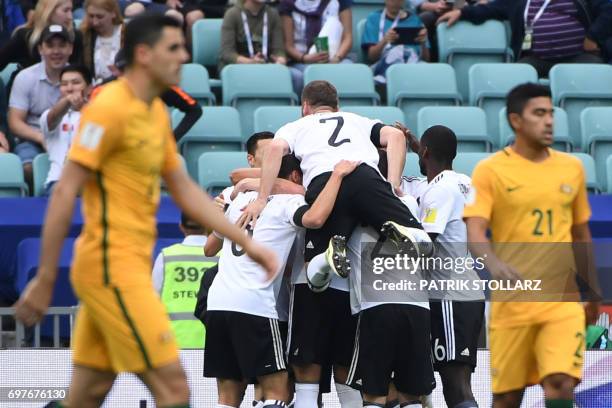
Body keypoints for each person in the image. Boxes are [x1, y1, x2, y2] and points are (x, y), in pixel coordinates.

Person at [14, 14, 277, 408]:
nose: (184, 56)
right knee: (174, 391)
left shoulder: (154, 110)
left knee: (86, 395)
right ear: (143, 54)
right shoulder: (108, 109)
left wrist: (245, 242)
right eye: (173, 48)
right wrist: (46, 277)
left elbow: (184, 188)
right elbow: (66, 191)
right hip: (110, 269)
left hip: (129, 265)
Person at [464, 83, 601, 408]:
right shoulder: (490, 171)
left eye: (551, 113)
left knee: (560, 382)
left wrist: (593, 291)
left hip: (561, 300)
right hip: (512, 303)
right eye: (539, 114)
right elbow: (475, 232)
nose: (549, 121)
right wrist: (494, 264)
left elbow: (581, 236)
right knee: (508, 398)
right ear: (516, 120)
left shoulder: (572, 168)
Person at [204, 155, 359, 408]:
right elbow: (314, 219)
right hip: (254, 304)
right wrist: (337, 176)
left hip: (218, 302)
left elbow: (209, 248)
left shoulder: (238, 198)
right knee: (277, 389)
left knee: (227, 397)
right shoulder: (290, 202)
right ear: (296, 176)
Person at [242, 80, 425, 278]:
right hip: (365, 176)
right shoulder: (356, 120)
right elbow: (397, 136)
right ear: (337, 107)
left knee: (313, 270)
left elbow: (275, 149)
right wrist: (393, 183)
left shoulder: (295, 126)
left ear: (305, 107)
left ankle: (327, 255)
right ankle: (404, 229)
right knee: (419, 239)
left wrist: (261, 199)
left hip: (325, 185)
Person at [399, 124, 484, 408]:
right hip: (465, 290)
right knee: (455, 380)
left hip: (449, 295)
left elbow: (426, 242)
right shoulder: (462, 181)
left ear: (425, 152)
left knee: (455, 385)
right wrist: (415, 146)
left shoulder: (440, 190)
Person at [437, 0, 612, 77]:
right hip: (536, 59)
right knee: (516, 75)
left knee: (596, 73)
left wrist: (593, 36)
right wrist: (462, 12)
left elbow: (608, 10)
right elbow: (492, 9)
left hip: (577, 57)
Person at [8, 24, 74, 189]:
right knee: (28, 168)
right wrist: (40, 137)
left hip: (70, 138)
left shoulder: (79, 77)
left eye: (62, 45)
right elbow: (15, 122)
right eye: (50, 45)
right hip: (33, 139)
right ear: (40, 49)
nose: (56, 51)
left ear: (70, 49)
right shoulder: (25, 77)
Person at [90, 49, 203, 141]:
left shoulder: (158, 84)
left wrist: (171, 140)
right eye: (124, 71)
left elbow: (195, 110)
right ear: (116, 71)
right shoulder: (102, 89)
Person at [152, 213, 217, 349]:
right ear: (208, 225)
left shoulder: (166, 256)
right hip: (212, 341)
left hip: (174, 341)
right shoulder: (221, 257)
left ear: (181, 227)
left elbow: (152, 299)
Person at [279, 0, 354, 94]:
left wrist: (337, 58)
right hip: (301, 60)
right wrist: (305, 58)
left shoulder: (340, 2)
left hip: (336, 57)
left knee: (350, 69)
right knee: (308, 75)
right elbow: (288, 46)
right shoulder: (288, 3)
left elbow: (348, 38)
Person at [40, 64, 92, 196]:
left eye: (75, 83)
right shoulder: (49, 114)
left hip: (91, 183)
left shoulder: (99, 116)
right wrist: (67, 101)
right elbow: (52, 118)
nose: (69, 88)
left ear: (89, 87)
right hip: (58, 183)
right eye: (64, 84)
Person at [0, 0, 83, 73]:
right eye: (65, 11)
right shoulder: (25, 37)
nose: (70, 16)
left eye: (71, 10)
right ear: (49, 12)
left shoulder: (75, 37)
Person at [361, 0, 428, 84]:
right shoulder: (374, 18)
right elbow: (371, 57)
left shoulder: (416, 20)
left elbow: (426, 59)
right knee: (396, 53)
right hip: (384, 65)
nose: (394, 2)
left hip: (413, 66)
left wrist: (423, 43)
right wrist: (385, 40)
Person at [218, 0, 287, 72]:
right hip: (238, 66)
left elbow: (278, 50)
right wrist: (250, 62)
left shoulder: (272, 14)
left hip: (264, 65)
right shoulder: (232, 14)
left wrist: (280, 59)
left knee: (295, 76)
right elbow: (227, 53)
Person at [81, 0, 125, 84]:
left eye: (100, 17)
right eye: (91, 16)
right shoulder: (84, 36)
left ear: (113, 13)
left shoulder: (127, 34)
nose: (95, 22)